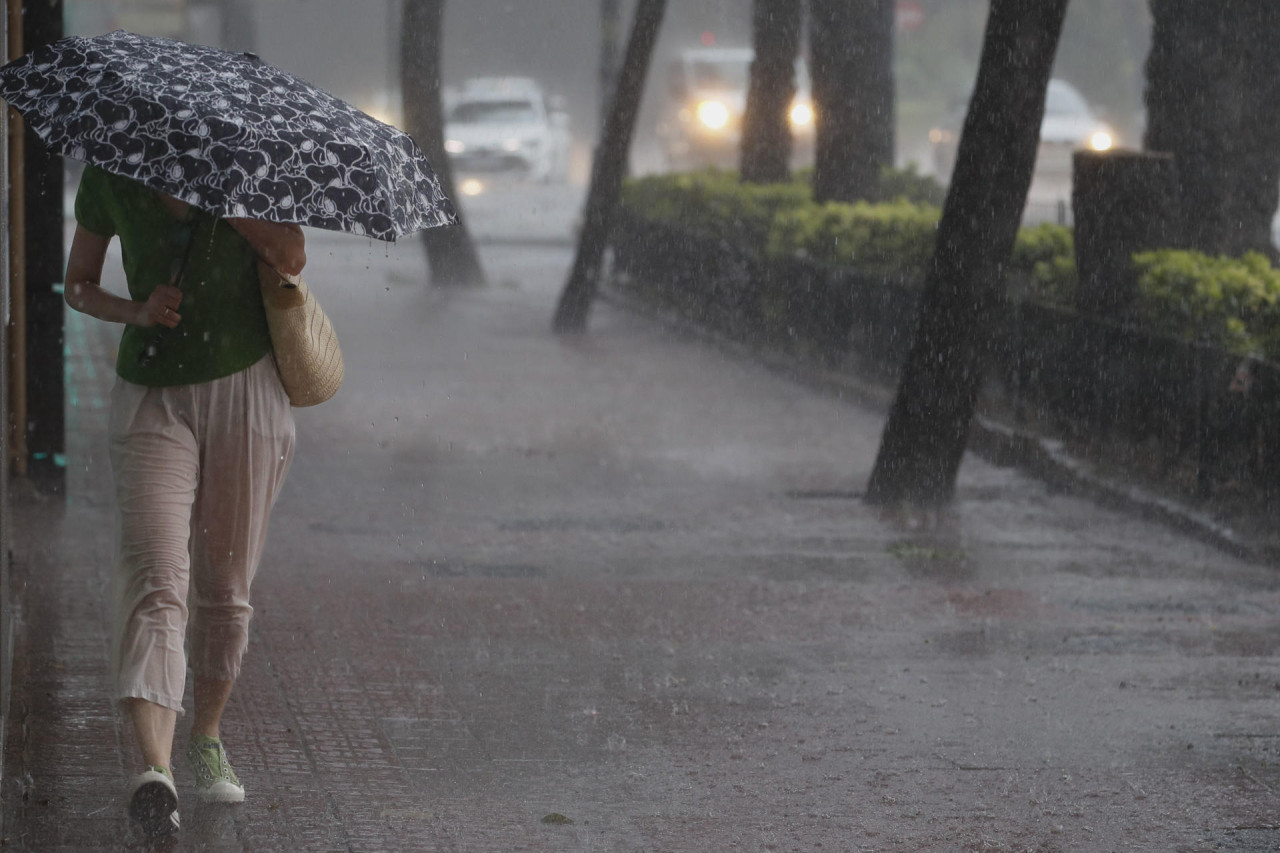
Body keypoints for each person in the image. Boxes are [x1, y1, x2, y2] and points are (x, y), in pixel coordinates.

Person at [63, 164, 306, 837]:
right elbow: (77, 284)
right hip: (152, 397)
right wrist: (135, 310)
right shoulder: (112, 175)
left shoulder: (249, 166)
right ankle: (155, 770)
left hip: (248, 391)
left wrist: (224, 198)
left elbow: (291, 255)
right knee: (157, 577)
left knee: (226, 588)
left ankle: (205, 734)